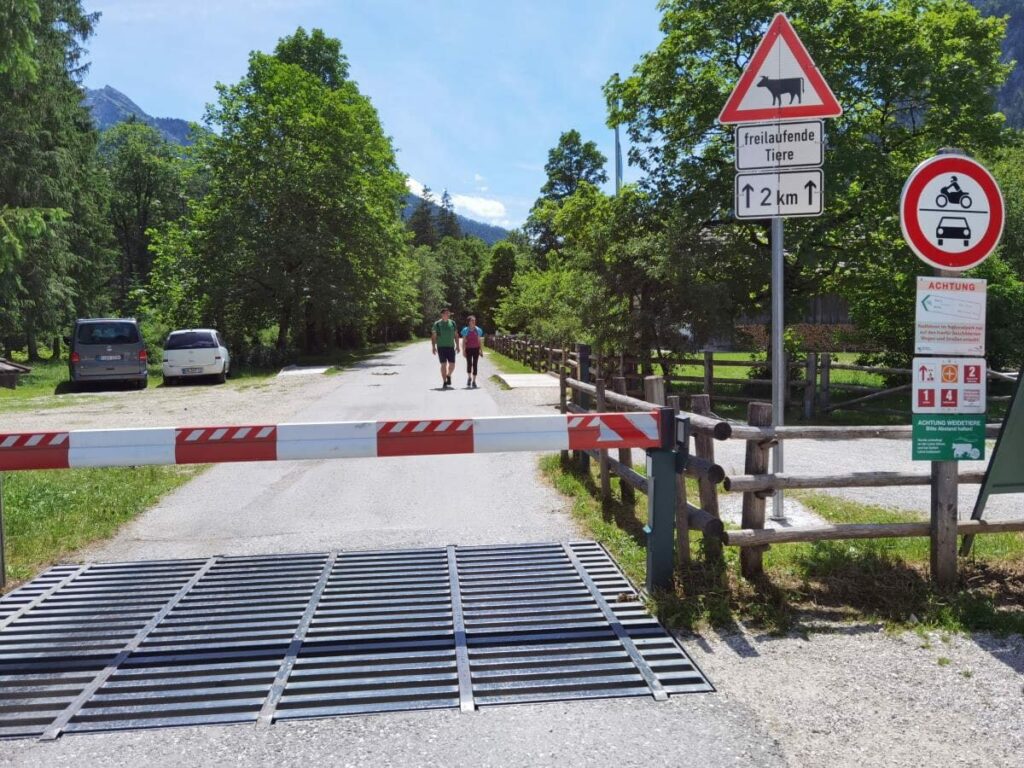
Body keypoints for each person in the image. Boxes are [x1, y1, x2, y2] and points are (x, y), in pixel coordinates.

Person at [431, 308, 459, 389]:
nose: (447, 315)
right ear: (442, 314)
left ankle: (448, 375)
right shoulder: (437, 324)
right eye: (446, 313)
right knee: (443, 364)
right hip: (441, 347)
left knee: (452, 365)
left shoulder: (453, 323)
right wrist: (433, 347)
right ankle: (444, 382)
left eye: (448, 313)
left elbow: (456, 335)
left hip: (450, 347)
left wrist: (457, 346)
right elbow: (433, 336)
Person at [460, 315, 485, 388]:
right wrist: (463, 351)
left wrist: (481, 350)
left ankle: (474, 381)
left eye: (474, 320)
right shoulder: (465, 330)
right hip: (468, 349)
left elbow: (479, 340)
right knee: (469, 364)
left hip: (476, 349)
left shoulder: (478, 330)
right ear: (469, 322)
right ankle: (469, 377)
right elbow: (464, 341)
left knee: (475, 364)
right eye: (472, 321)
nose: (474, 322)